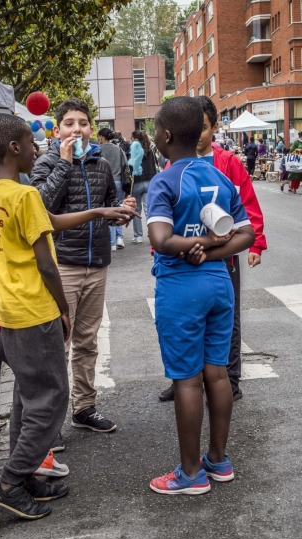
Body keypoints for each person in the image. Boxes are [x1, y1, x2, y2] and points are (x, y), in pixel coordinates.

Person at [0, 194, 136, 493]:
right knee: (39, 393)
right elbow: (45, 264)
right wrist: (61, 308)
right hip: (6, 328)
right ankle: (36, 461)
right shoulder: (8, 250)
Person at [147, 96, 255, 495]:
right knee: (218, 371)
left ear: (167, 135)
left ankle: (191, 475)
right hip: (218, 285)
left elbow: (160, 239)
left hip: (181, 288)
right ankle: (218, 460)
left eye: (156, 129)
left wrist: (195, 245)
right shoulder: (219, 178)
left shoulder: (165, 180)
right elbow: (246, 234)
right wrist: (211, 248)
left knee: (187, 380)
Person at [30, 98, 136, 434]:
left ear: (91, 128)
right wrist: (63, 165)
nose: (77, 129)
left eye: (83, 123)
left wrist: (123, 207)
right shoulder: (45, 163)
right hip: (62, 265)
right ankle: (50, 423)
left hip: (97, 262)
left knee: (87, 341)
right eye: (70, 123)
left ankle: (84, 408)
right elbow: (41, 208)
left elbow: (107, 207)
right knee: (56, 343)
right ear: (58, 128)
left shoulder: (101, 164)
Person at [159, 96, 267, 404]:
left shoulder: (228, 163)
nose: (199, 134)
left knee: (226, 321)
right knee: (182, 321)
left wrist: (256, 242)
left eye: (204, 128)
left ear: (213, 127)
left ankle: (229, 378)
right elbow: (165, 217)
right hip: (180, 259)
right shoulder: (171, 165)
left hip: (222, 258)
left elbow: (247, 205)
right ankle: (182, 378)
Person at [97, 127, 129, 251]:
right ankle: (120, 238)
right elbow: (125, 165)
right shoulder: (119, 149)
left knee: (108, 210)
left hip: (104, 181)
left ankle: (112, 242)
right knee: (119, 208)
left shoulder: (98, 150)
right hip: (119, 181)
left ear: (101, 137)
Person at [128, 130, 157, 243]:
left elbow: (131, 165)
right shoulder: (149, 150)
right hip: (149, 181)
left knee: (136, 209)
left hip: (137, 181)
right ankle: (152, 233)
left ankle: (138, 236)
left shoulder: (134, 149)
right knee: (148, 209)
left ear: (134, 138)